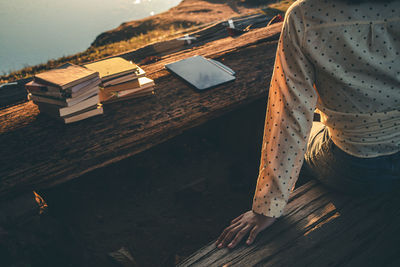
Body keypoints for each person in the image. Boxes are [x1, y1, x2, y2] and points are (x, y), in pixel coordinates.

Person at [216, 0, 400, 249]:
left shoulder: (306, 14)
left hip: (357, 169)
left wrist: (266, 208)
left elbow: (289, 116)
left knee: (311, 129)